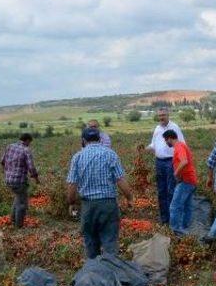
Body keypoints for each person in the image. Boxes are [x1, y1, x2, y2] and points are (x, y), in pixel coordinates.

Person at [67, 127, 133, 259]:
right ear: (99, 139)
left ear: (83, 140)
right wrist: (129, 198)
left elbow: (72, 185)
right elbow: (120, 180)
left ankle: (93, 272)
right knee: (110, 242)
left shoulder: (78, 157)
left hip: (88, 206)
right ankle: (111, 272)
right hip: (108, 204)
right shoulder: (110, 154)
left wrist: (71, 203)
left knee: (90, 242)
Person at [144, 108, 185, 224]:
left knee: (171, 190)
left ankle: (173, 219)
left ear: (168, 115)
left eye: (163, 115)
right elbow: (153, 144)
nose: (161, 117)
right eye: (160, 115)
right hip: (159, 162)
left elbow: (181, 144)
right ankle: (164, 219)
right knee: (161, 190)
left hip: (170, 162)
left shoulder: (175, 127)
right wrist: (145, 149)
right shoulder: (157, 129)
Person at [0, 133, 40, 228]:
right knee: (22, 203)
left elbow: (2, 162)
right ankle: (19, 226)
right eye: (30, 142)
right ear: (27, 140)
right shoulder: (26, 150)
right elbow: (31, 168)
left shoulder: (10, 147)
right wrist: (36, 179)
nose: (30, 144)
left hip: (9, 180)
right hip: (19, 181)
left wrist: (7, 173)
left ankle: (13, 220)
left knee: (17, 198)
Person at [163, 129, 197, 236]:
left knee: (175, 206)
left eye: (165, 140)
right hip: (191, 180)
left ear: (169, 138)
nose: (165, 142)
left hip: (186, 181)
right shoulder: (181, 145)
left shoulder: (179, 147)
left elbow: (184, 161)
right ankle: (185, 228)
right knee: (187, 206)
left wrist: (176, 173)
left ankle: (175, 231)